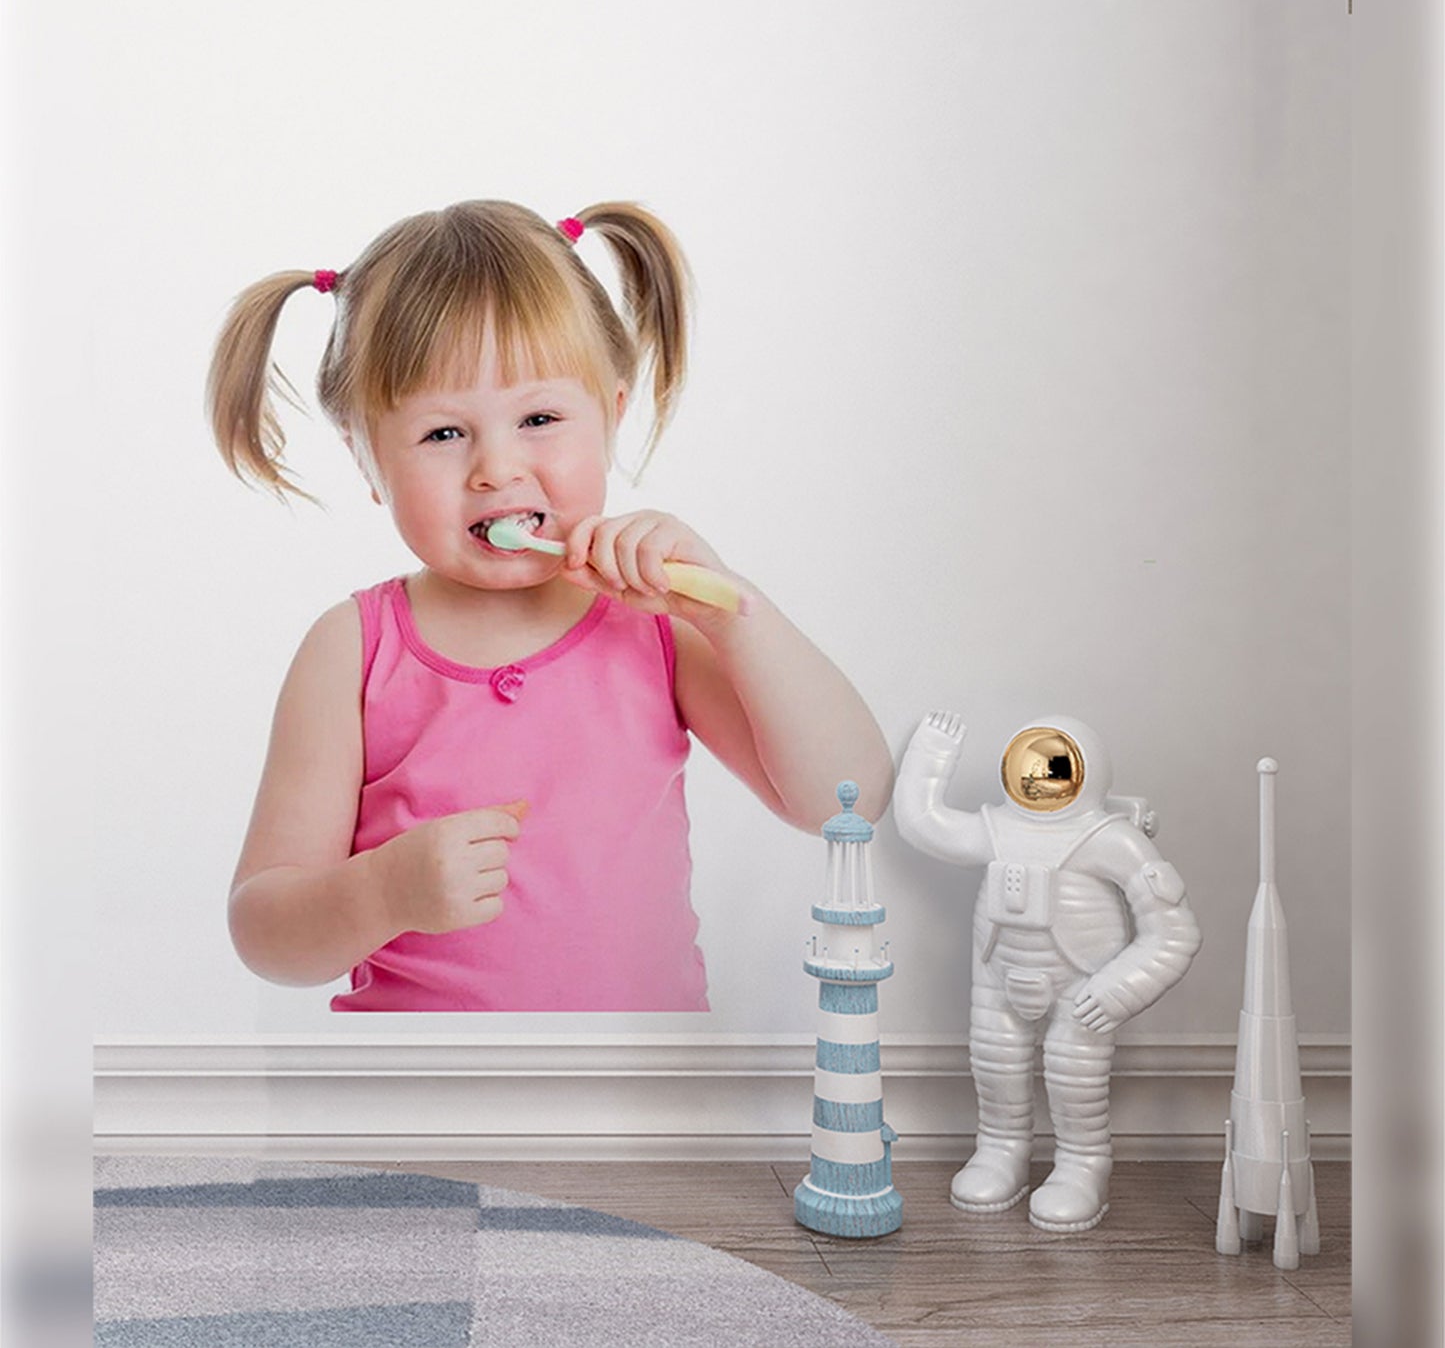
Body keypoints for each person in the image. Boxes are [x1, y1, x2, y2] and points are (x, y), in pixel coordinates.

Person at [207, 198, 893, 1011]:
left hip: (643, 1114)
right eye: (442, 434)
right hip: (418, 1119)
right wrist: (381, 892)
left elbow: (845, 799)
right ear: (366, 456)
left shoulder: (657, 617)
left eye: (538, 417)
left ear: (611, 411)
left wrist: (731, 611)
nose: (497, 468)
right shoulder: (352, 649)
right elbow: (264, 933)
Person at [893, 711, 1201, 1231]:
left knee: (1073, 1075)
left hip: (1084, 983)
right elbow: (924, 823)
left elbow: (1174, 931)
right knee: (996, 1066)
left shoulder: (1113, 840)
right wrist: (930, 754)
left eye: (1055, 768)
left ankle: (1083, 1165)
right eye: (1032, 767)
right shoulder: (994, 828)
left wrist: (1117, 989)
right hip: (998, 976)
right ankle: (999, 1150)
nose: (1041, 779)